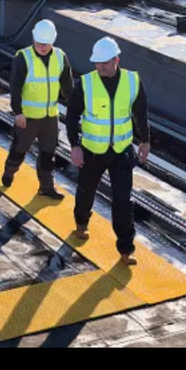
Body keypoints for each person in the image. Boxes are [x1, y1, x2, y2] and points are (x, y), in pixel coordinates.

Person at [66, 36, 150, 266]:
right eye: (97, 63)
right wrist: (74, 146)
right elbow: (72, 116)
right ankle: (81, 224)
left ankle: (126, 248)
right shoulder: (86, 83)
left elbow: (140, 113)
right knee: (86, 193)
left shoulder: (132, 81)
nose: (100, 67)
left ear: (116, 60)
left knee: (123, 201)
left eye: (104, 62)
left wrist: (145, 141)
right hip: (92, 151)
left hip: (121, 152)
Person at [2, 19, 73, 199]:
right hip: (28, 117)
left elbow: (67, 86)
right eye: (40, 44)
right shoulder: (23, 57)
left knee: (48, 154)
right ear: (34, 40)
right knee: (19, 150)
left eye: (46, 44)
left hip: (50, 117)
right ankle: (10, 171)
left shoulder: (60, 57)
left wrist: (74, 109)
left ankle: (46, 187)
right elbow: (15, 87)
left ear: (53, 41)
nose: (42, 47)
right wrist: (17, 112)